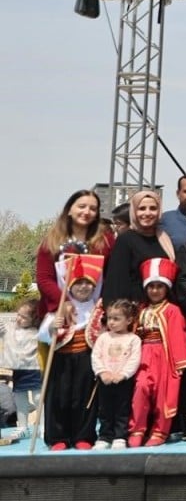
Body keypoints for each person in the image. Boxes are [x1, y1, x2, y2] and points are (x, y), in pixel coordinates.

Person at [37, 253, 103, 450]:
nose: (83, 287)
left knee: (85, 399)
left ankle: (84, 436)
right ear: (70, 285)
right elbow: (42, 335)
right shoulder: (60, 308)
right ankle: (58, 438)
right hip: (62, 360)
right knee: (59, 398)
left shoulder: (98, 308)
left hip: (86, 358)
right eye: (79, 283)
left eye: (88, 283)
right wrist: (52, 328)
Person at [128, 257, 186, 447]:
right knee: (141, 389)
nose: (155, 290)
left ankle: (159, 431)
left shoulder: (172, 310)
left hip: (164, 356)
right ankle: (137, 429)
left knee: (163, 396)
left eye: (159, 286)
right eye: (151, 286)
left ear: (166, 288)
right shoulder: (140, 309)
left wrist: (180, 363)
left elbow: (178, 337)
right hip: (144, 354)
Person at [36, 189, 115, 315]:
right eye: (82, 206)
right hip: (60, 313)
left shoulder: (106, 240)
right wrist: (64, 302)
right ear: (69, 210)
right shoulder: (52, 240)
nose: (87, 212)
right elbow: (44, 279)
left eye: (93, 209)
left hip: (96, 312)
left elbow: (112, 276)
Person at [92, 299, 141, 450]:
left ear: (129, 320)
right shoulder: (103, 337)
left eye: (116, 319)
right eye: (109, 318)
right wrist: (102, 372)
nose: (111, 322)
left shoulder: (133, 339)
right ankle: (105, 436)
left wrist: (124, 374)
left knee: (122, 409)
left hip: (123, 381)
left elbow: (134, 359)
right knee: (104, 409)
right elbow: (96, 356)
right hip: (105, 380)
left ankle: (120, 436)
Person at [0, 299, 40, 438]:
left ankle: (42, 426)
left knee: (38, 398)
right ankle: (22, 426)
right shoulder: (12, 330)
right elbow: (2, 330)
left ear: (34, 320)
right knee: (19, 398)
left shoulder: (38, 332)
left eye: (24, 317)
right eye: (18, 314)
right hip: (19, 371)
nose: (19, 318)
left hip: (35, 370)